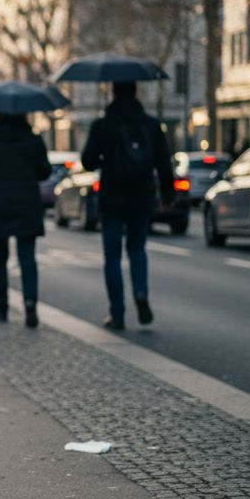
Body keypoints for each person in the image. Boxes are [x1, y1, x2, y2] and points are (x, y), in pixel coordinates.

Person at [79, 80, 173, 330]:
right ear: (136, 92)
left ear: (113, 93)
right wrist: (167, 193)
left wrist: (103, 156)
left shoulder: (103, 125)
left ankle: (117, 313)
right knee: (137, 249)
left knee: (112, 256)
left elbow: (88, 161)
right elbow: (164, 161)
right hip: (141, 195)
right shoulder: (151, 125)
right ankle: (140, 293)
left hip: (112, 197)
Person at [0, 112, 52, 327]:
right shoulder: (33, 140)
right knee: (27, 258)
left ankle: (2, 308)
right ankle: (30, 302)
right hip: (27, 204)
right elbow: (45, 172)